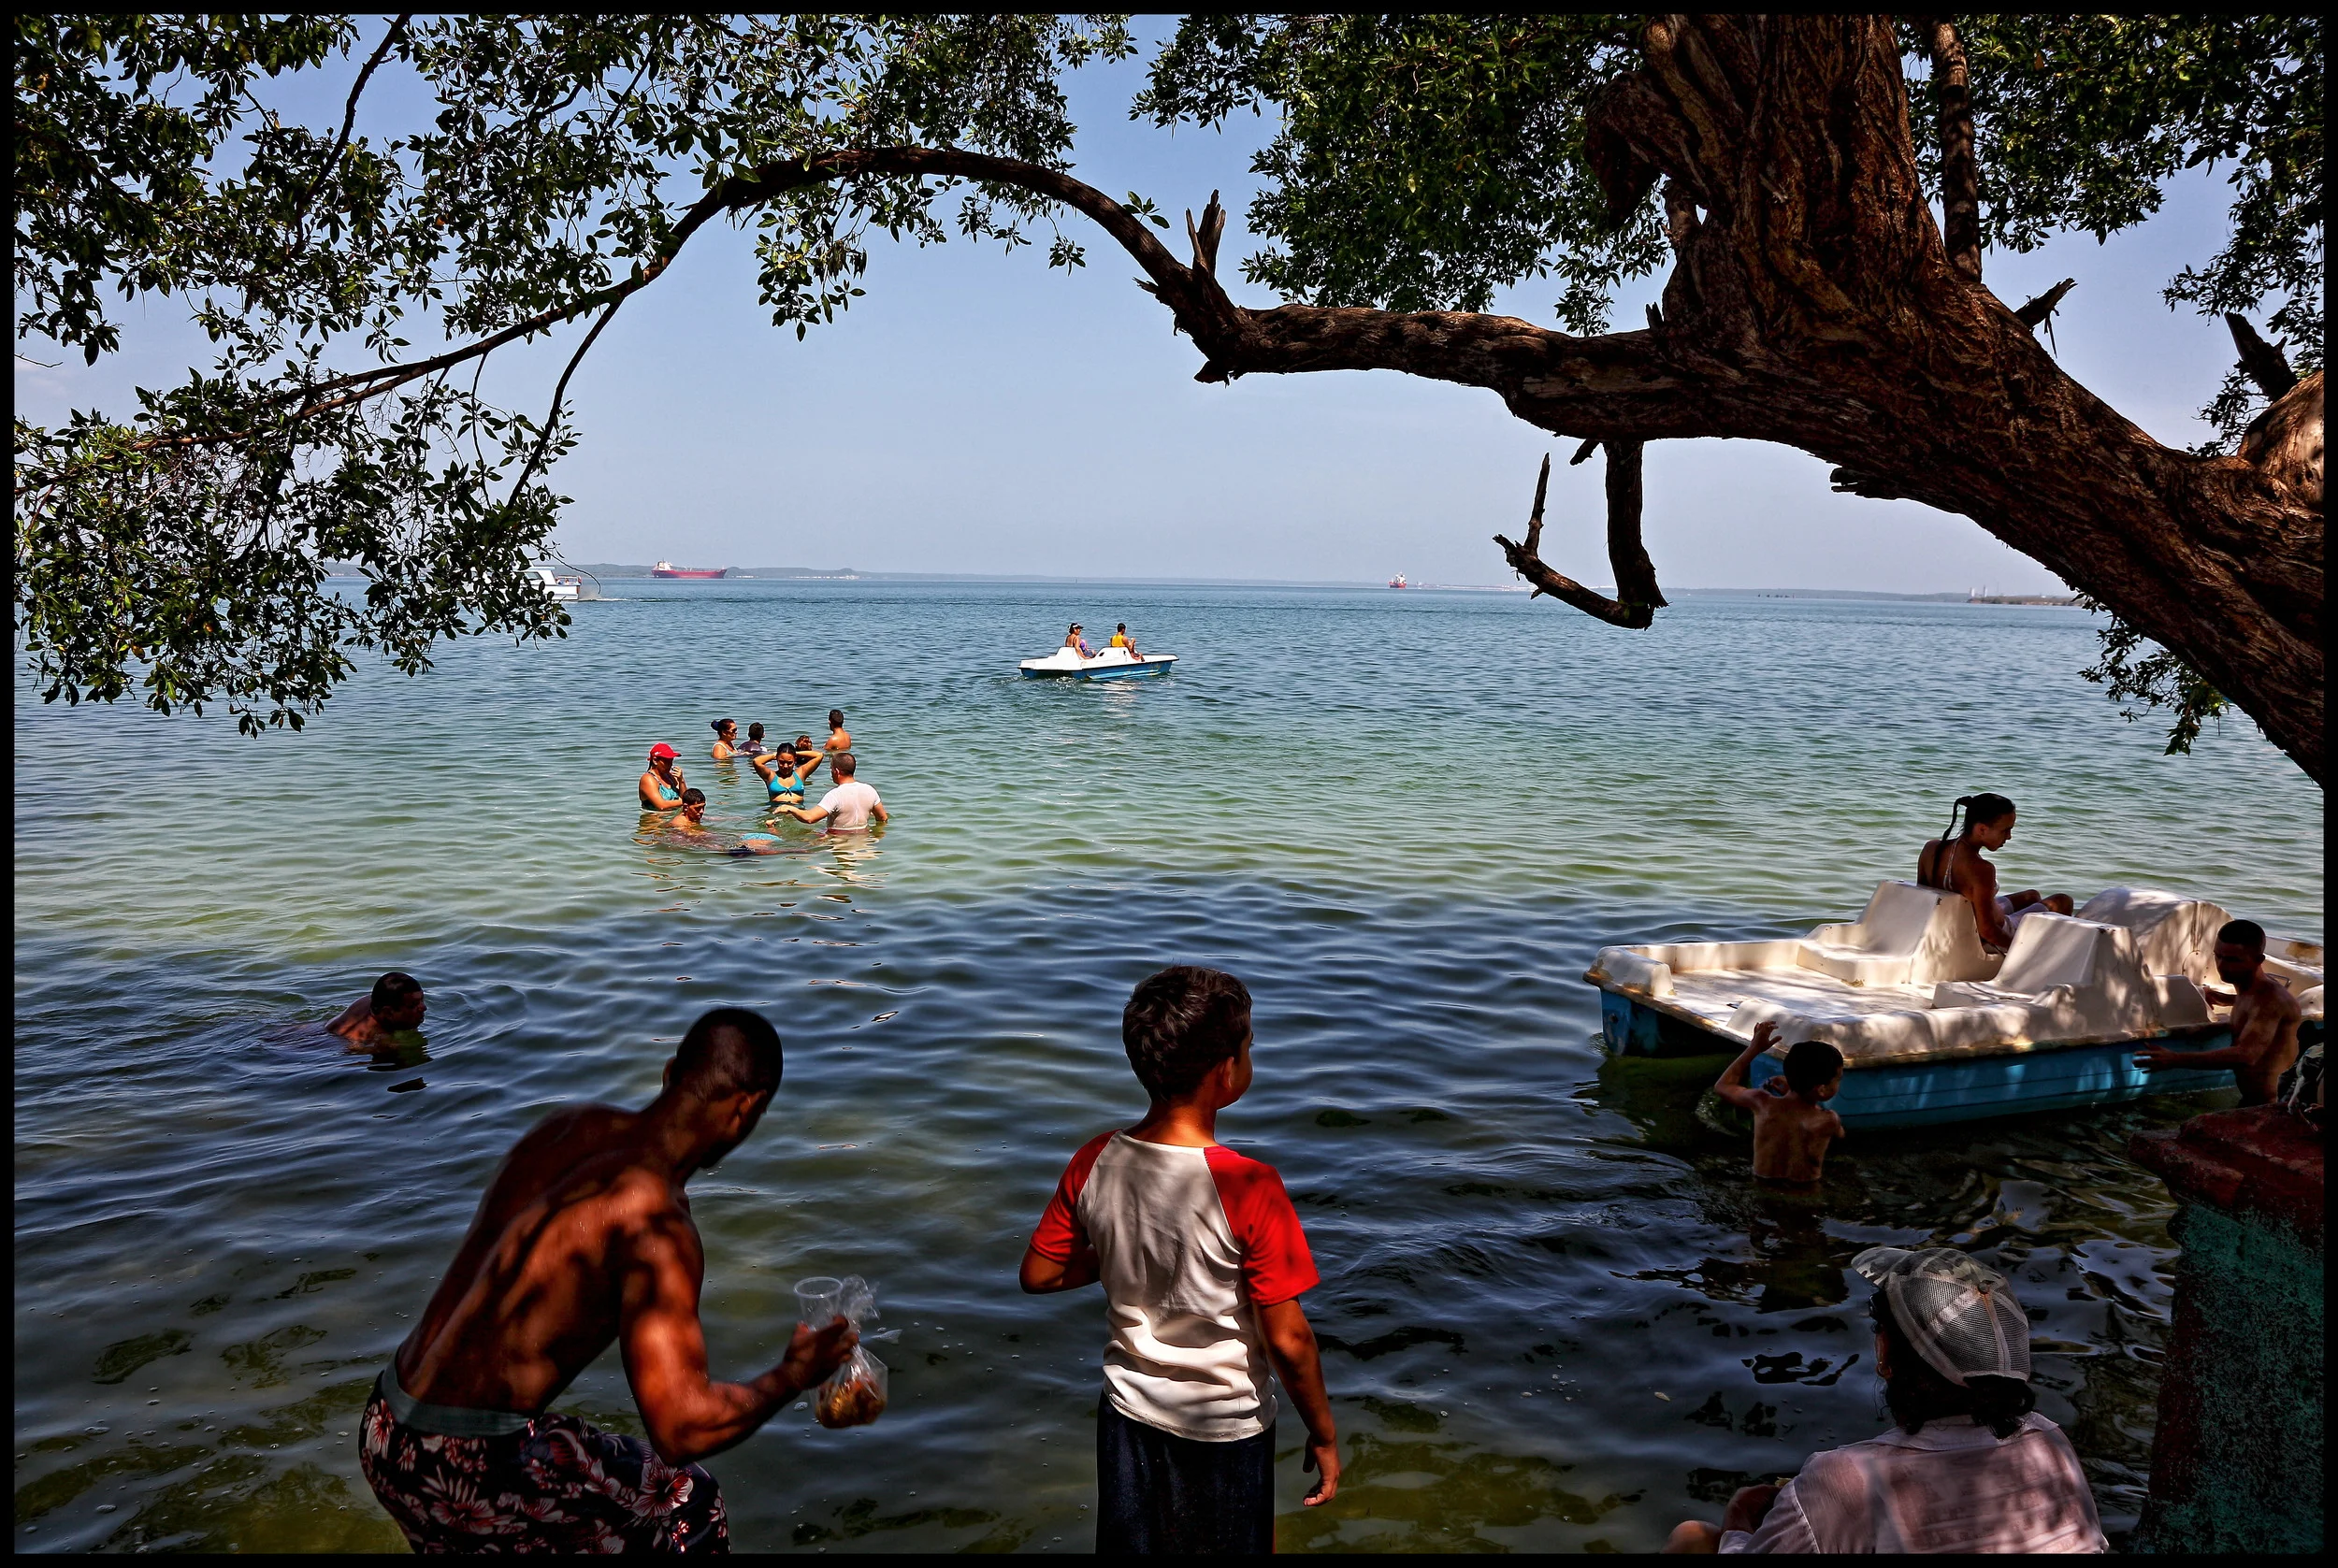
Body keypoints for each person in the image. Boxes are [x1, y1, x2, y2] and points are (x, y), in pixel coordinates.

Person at [359, 1008, 859, 1553]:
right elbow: (681, 1430)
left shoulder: (568, 1128)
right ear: (748, 1108)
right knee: (688, 1498)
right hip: (464, 1464)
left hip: (387, 1424)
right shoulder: (658, 1227)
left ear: (670, 1073)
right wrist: (792, 1375)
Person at [1020, 966, 1339, 1553]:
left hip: (1127, 1414)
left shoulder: (1095, 1159)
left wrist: (1122, 1254)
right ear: (1226, 1073)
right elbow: (1290, 1341)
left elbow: (1039, 1274)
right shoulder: (1251, 1185)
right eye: (1248, 1047)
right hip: (1225, 1426)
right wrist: (1322, 1433)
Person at [1665, 1245, 2105, 1553]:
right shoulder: (2049, 1442)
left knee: (1692, 1537)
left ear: (1884, 1352)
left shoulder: (1846, 1478)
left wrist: (1740, 1521)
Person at [2134, 918, 2304, 1104]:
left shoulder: (2271, 999)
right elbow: (2254, 1012)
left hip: (2273, 1105)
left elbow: (2246, 1055)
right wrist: (2225, 1003)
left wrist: (2174, 1059)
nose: (2222, 965)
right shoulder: (2249, 988)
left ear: (2258, 960)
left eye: (2233, 960)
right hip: (2251, 1098)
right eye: (2218, 956)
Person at [1915, 793, 2073, 954]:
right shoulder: (1981, 868)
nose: (2009, 837)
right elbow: (1988, 931)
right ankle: (2053, 956)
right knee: (2062, 900)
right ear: (1982, 829)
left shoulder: (1932, 848)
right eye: (2005, 830)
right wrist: (2023, 951)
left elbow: (1922, 896)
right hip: (1987, 931)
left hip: (1954, 923)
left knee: (2031, 896)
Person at [1714, 1022, 1846, 1184]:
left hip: (1761, 1188)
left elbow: (1723, 1086)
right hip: (1806, 1195)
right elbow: (1840, 1135)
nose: (1839, 1083)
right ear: (1822, 1089)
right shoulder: (1829, 1120)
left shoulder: (1762, 1102)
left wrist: (1754, 1049)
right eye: (1838, 1079)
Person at [774, 753, 886, 832]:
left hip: (838, 842)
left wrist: (790, 808)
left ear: (836, 771)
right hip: (864, 842)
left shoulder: (835, 795)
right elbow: (882, 819)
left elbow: (810, 818)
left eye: (831, 770)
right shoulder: (870, 790)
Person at [328, 972, 426, 1049]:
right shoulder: (374, 1044)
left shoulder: (376, 1000)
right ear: (388, 1012)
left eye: (421, 1000)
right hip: (324, 1044)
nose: (423, 1007)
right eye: (413, 1005)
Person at [755, 742, 823, 807]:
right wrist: (773, 755)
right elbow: (756, 761)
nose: (785, 766)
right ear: (777, 759)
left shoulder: (801, 773)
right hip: (776, 813)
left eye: (789, 762)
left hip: (798, 814)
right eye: (782, 762)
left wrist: (795, 753)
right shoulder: (770, 775)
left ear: (795, 760)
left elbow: (819, 755)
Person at [641, 743, 687, 810]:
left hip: (675, 815)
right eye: (666, 761)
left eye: (671, 761)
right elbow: (662, 805)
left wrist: (681, 780)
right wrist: (686, 802)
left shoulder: (670, 776)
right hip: (656, 818)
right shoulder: (648, 779)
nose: (670, 765)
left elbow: (685, 797)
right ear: (655, 761)